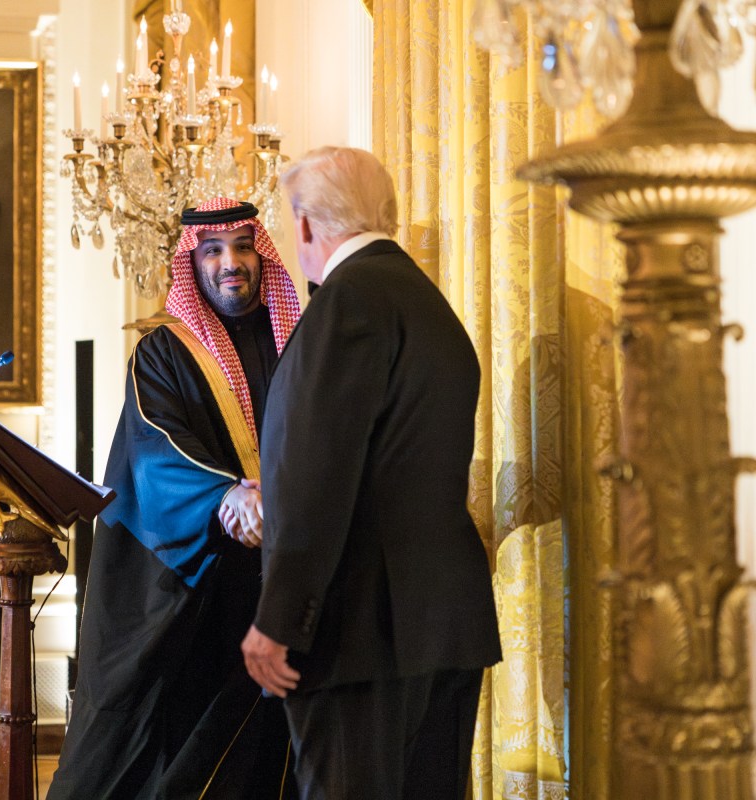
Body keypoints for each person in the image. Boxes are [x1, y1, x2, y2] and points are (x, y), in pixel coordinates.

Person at [241, 147, 502, 799]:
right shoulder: (431, 305)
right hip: (443, 623)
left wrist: (278, 619)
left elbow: (317, 478)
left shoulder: (345, 305)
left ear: (303, 225)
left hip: (357, 631)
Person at [48, 198, 302, 799]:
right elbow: (155, 447)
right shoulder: (163, 351)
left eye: (243, 247)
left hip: (286, 571)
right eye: (213, 251)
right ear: (193, 263)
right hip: (201, 578)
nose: (231, 263)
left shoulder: (293, 340)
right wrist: (226, 497)